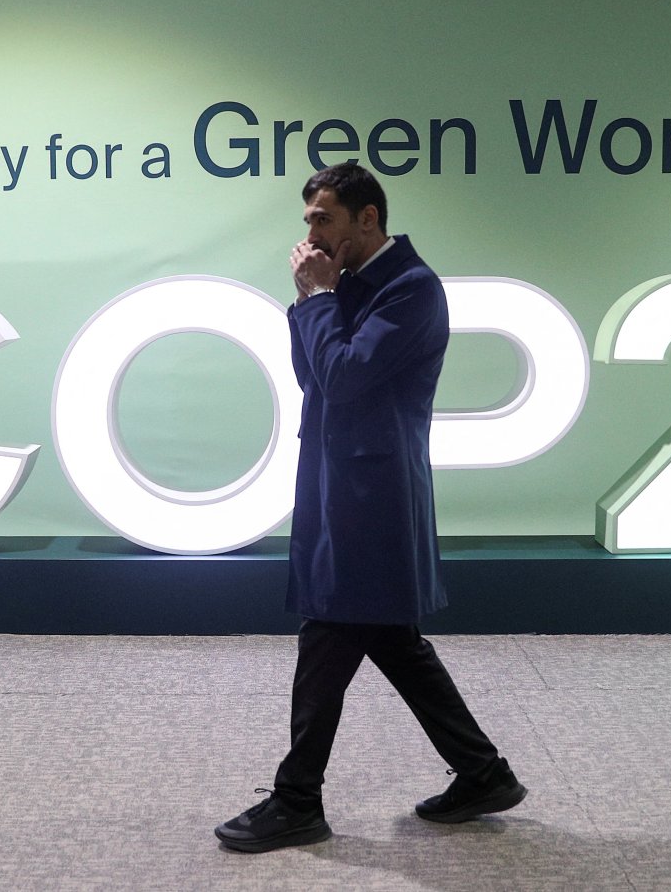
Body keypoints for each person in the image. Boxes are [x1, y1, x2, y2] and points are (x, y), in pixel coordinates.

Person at [214, 163, 526, 854]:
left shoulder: (411, 289)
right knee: (390, 639)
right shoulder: (346, 286)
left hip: (371, 497)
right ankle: (482, 772)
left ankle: (297, 799)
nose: (312, 233)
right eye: (308, 222)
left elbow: (349, 379)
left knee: (328, 634)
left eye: (324, 218)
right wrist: (307, 303)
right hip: (340, 487)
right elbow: (315, 377)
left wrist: (320, 300)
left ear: (368, 218)